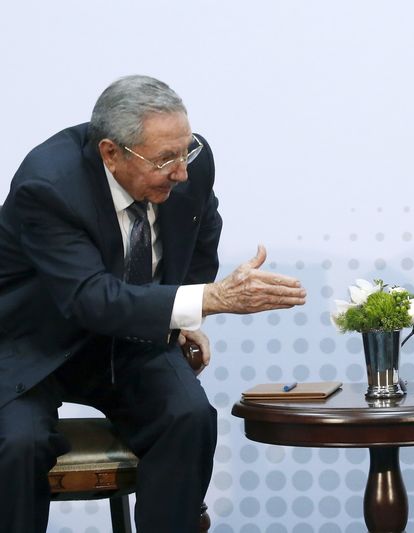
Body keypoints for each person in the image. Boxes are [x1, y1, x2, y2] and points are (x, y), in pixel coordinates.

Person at [0, 75, 307, 532]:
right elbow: (90, 299)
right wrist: (210, 299)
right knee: (17, 444)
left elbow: (201, 238)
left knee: (189, 416)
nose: (181, 171)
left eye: (185, 152)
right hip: (32, 342)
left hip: (129, 339)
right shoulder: (49, 185)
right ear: (110, 153)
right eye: (166, 159)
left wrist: (183, 317)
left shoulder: (191, 165)